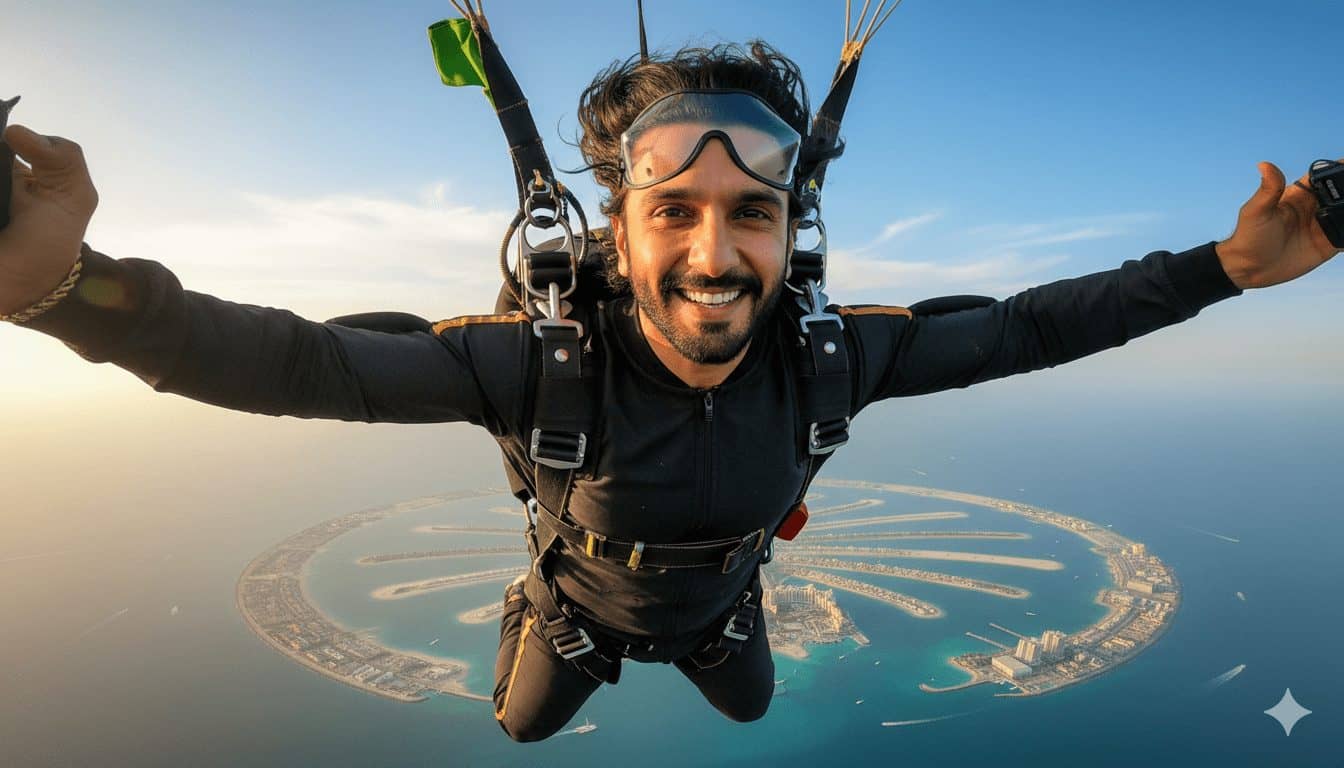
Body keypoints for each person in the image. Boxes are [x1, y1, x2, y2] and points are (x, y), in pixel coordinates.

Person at [0, 41, 1336, 744]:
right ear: (617, 235)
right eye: (673, 209)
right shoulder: (531, 364)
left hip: (715, 607)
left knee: (750, 699)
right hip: (578, 611)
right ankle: (552, 613)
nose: (712, 251)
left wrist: (1224, 267)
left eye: (750, 211)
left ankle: (693, 626)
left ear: (790, 238)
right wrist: (69, 290)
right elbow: (300, 365)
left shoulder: (835, 355)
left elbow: (1041, 324)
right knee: (522, 724)